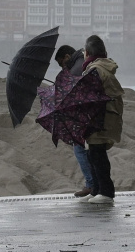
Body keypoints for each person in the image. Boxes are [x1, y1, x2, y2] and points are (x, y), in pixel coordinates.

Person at [78, 35, 124, 204]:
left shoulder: (95, 70)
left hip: (99, 119)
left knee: (97, 155)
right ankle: (97, 190)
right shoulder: (99, 68)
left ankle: (106, 192)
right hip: (102, 117)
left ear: (87, 52)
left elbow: (89, 97)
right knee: (92, 154)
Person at [54, 45, 95, 198]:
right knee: (91, 151)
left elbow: (75, 94)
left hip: (84, 116)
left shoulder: (76, 68)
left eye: (61, 63)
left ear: (66, 57)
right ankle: (94, 185)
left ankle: (91, 185)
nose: (62, 67)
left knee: (79, 148)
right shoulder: (81, 62)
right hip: (91, 114)